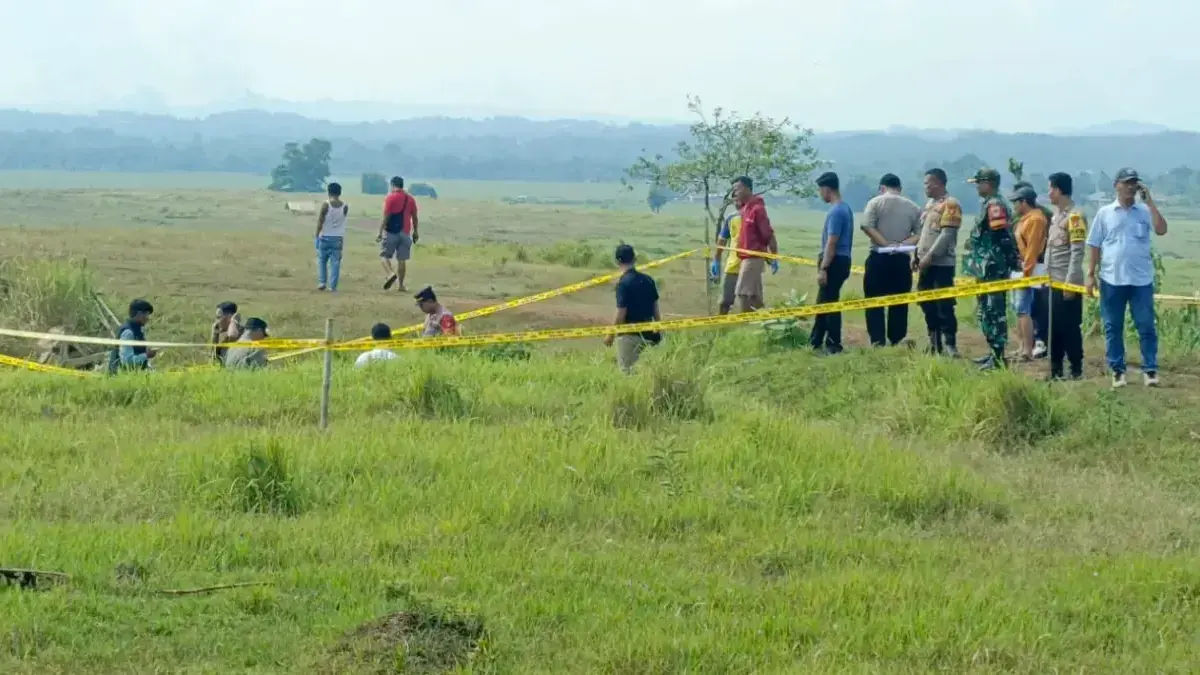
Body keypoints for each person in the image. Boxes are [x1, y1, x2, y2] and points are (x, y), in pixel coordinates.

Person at [1086, 167, 1169, 388]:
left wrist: (1150, 202)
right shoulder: (1105, 213)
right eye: (1127, 182)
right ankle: (1117, 370)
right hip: (1112, 279)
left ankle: (1150, 369)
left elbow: (1161, 230)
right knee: (1113, 326)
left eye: (1134, 183)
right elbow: (1094, 244)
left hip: (1141, 280)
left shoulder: (1144, 211)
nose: (1131, 186)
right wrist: (1090, 274)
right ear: (1117, 185)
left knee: (1146, 326)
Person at [963, 168, 1019, 370]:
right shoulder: (987, 204)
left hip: (994, 267)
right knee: (986, 311)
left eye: (979, 182)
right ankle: (992, 353)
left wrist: (1010, 261)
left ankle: (998, 356)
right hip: (984, 268)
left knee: (995, 312)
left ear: (988, 183)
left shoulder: (995, 205)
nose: (977, 186)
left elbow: (1003, 237)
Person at [860, 173, 922, 347]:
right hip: (901, 260)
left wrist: (885, 244)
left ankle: (877, 341)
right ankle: (897, 339)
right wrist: (900, 245)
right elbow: (920, 234)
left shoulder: (875, 202)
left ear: (882, 188)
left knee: (873, 301)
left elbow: (866, 226)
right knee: (899, 303)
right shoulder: (914, 207)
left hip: (878, 257)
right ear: (900, 189)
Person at [914, 168, 962, 356]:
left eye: (928, 183)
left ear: (940, 183)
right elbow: (923, 234)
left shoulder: (950, 204)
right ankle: (934, 343)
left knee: (944, 305)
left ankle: (950, 343)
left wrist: (930, 256)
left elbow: (947, 235)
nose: (925, 186)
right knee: (926, 302)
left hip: (942, 264)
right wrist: (916, 256)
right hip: (925, 263)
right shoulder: (929, 205)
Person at [1046, 172, 1087, 380]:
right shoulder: (1055, 216)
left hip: (1066, 282)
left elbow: (1077, 252)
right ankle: (1055, 370)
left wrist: (1070, 284)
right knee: (1053, 328)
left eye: (1050, 188)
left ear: (1059, 190)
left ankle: (1076, 368)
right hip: (1051, 281)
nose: (1048, 193)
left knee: (1069, 327)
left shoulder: (1075, 216)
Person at [810, 172, 854, 354]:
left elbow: (832, 242)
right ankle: (815, 341)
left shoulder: (836, 211)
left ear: (827, 189)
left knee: (829, 302)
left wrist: (824, 268)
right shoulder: (846, 208)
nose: (820, 194)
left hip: (834, 261)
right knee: (823, 301)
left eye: (821, 190)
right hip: (842, 259)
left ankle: (834, 344)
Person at [603, 244, 662, 373]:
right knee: (647, 373)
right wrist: (658, 331)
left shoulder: (623, 284)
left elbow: (620, 314)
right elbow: (656, 309)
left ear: (618, 261)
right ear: (634, 259)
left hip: (629, 337)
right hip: (650, 334)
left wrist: (610, 335)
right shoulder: (649, 280)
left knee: (627, 373)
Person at [1008, 185, 1049, 361]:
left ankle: (1027, 350)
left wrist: (1026, 274)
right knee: (1019, 309)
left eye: (1016, 202)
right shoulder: (1025, 219)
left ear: (1024, 202)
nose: (1014, 206)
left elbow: (1032, 249)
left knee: (1024, 309)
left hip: (1030, 269)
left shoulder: (1036, 220)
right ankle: (1022, 346)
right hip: (1022, 268)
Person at [730, 176, 778, 312]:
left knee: (743, 293)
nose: (735, 193)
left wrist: (774, 256)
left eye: (737, 189)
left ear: (747, 188)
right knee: (754, 296)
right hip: (745, 257)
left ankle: (747, 323)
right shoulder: (746, 209)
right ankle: (766, 322)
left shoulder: (758, 209)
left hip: (753, 257)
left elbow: (768, 234)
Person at [378, 176, 419, 292]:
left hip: (391, 232)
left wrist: (380, 232)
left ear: (392, 185)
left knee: (384, 256)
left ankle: (390, 274)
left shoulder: (390, 198)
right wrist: (415, 231)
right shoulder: (410, 199)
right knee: (402, 259)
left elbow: (386, 217)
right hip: (405, 232)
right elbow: (415, 217)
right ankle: (401, 285)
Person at [107, 299, 157, 374]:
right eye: (146, 314)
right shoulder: (128, 333)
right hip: (120, 378)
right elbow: (127, 362)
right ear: (139, 314)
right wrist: (146, 355)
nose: (148, 318)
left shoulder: (138, 330)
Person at [315, 182, 348, 292]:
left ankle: (322, 282)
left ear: (329, 192)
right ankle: (333, 286)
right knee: (335, 263)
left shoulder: (326, 204)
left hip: (325, 236)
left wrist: (316, 235)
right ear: (340, 192)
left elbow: (320, 220)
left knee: (322, 261)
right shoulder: (345, 206)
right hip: (338, 238)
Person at [712, 211, 743, 315]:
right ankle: (721, 328)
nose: (737, 202)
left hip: (751, 265)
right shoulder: (732, 217)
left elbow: (766, 237)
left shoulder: (756, 216)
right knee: (725, 301)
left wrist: (771, 257)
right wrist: (716, 259)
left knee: (750, 302)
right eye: (735, 199)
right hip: (733, 266)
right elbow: (722, 239)